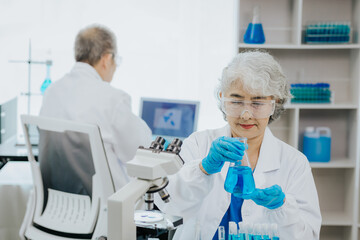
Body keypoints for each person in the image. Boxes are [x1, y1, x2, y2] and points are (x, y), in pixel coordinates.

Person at [156, 51, 321, 239]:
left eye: (257, 102)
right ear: (222, 99)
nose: (245, 114)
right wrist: (203, 169)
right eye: (236, 101)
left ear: (274, 104)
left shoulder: (295, 163)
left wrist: (281, 208)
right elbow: (169, 206)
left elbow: (309, 235)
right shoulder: (198, 144)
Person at [40, 24, 152, 190]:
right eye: (116, 61)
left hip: (58, 208)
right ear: (106, 59)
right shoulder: (113, 99)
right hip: (106, 210)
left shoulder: (51, 92)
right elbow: (140, 153)